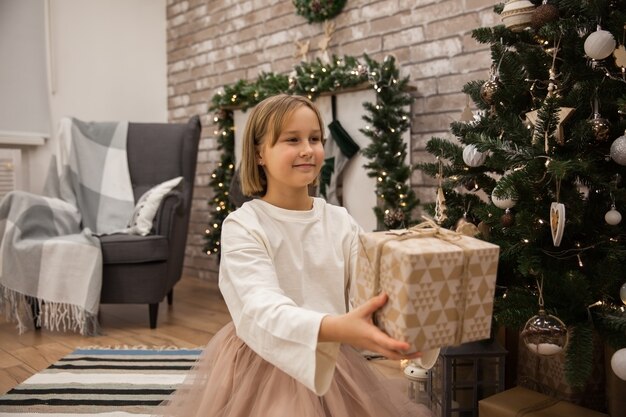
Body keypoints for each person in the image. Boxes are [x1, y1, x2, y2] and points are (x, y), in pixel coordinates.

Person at [154, 94, 432, 417]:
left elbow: (366, 293)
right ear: (260, 153)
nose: (307, 149)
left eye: (314, 139)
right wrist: (335, 328)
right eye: (292, 139)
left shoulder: (340, 221)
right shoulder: (244, 225)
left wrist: (404, 327)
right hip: (263, 355)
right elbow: (260, 306)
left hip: (330, 358)